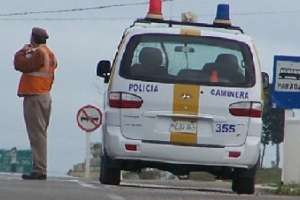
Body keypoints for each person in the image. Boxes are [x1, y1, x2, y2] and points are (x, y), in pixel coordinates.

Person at [14, 27, 57, 180]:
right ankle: (39, 167)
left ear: (33, 38)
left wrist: (22, 51)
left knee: (36, 134)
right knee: (40, 133)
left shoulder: (38, 53)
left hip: (35, 96)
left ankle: (39, 169)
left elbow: (20, 64)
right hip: (43, 94)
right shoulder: (49, 53)